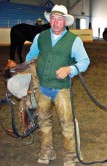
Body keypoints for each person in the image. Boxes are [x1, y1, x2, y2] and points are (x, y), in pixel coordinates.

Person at [25, 4, 90, 166]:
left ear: (65, 22)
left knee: (67, 124)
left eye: (59, 19)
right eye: (53, 18)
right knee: (44, 122)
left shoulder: (74, 41)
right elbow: (30, 56)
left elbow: (85, 61)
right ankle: (47, 151)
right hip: (43, 88)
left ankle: (70, 156)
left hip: (62, 89)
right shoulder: (40, 37)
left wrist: (70, 68)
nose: (55, 22)